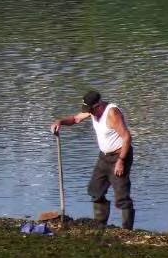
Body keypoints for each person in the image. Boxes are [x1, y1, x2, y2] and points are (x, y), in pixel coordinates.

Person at [50, 90, 135, 230]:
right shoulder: (92, 110)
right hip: (104, 157)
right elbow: (76, 118)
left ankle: (127, 230)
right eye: (88, 110)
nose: (90, 113)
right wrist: (60, 122)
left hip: (119, 156)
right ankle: (100, 225)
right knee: (95, 191)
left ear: (98, 105)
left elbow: (126, 137)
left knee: (122, 197)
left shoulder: (112, 113)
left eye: (91, 110)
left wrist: (121, 161)